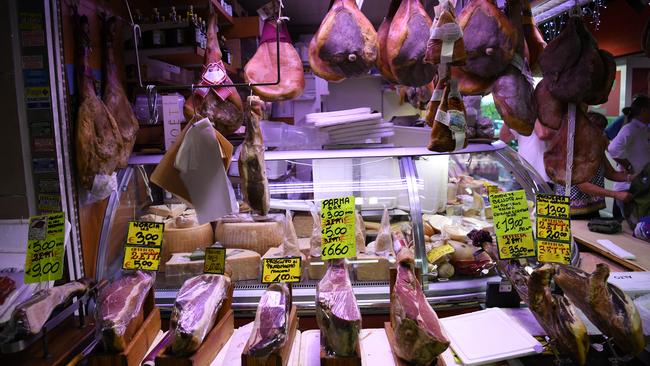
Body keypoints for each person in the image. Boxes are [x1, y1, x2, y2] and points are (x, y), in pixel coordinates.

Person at [555, 112, 632, 219]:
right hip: (571, 210)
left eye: (601, 130)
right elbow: (583, 185)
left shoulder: (597, 147)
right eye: (597, 129)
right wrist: (616, 194)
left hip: (592, 207)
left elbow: (610, 173)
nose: (600, 133)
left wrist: (631, 177)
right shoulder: (572, 150)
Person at [608, 95, 650, 218]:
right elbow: (613, 148)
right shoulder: (630, 128)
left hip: (640, 187)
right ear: (644, 111)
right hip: (628, 189)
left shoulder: (643, 129)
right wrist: (628, 164)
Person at [499, 121, 552, 187]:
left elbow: (542, 134)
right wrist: (507, 116)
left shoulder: (547, 119)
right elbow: (504, 138)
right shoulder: (524, 120)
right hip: (523, 177)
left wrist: (533, 113)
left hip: (545, 179)